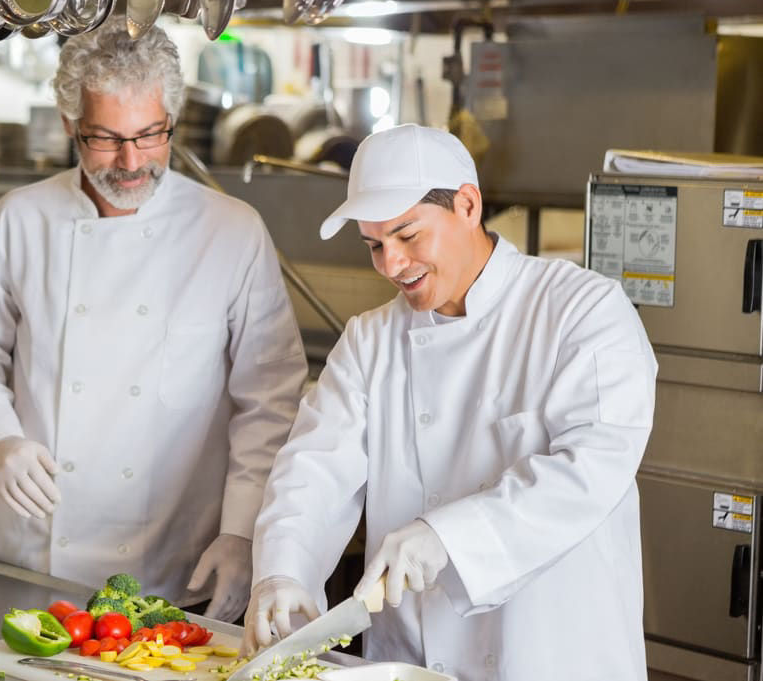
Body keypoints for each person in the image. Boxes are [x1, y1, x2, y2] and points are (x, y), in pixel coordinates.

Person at [243, 124, 656, 681]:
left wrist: (448, 537)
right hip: (411, 660)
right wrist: (282, 573)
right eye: (374, 245)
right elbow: (313, 469)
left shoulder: (581, 310)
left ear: (467, 204)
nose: (392, 265)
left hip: (553, 655)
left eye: (408, 236)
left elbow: (590, 471)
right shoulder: (371, 339)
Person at [0, 21, 307, 621]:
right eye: (105, 139)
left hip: (166, 561)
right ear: (68, 126)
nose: (131, 161)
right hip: (27, 557)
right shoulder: (19, 220)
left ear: (172, 123)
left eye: (149, 135)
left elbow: (269, 400)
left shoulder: (231, 231)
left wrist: (241, 533)